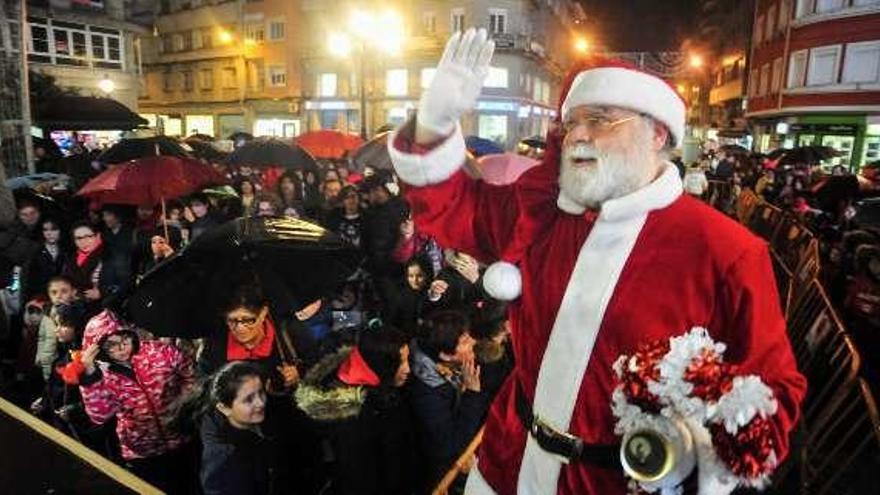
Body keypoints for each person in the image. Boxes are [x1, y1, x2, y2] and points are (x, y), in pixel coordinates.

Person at [388, 29, 805, 494]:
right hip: (509, 461)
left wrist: (691, 445)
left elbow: (771, 397)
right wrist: (434, 120)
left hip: (617, 483)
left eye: (602, 119)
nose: (578, 135)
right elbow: (448, 205)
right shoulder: (542, 213)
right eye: (572, 123)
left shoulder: (725, 249)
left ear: (658, 132)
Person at [78, 310, 197, 493]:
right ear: (98, 350)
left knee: (191, 486)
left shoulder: (160, 352)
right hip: (141, 452)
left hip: (183, 439)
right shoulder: (100, 375)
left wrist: (183, 404)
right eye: (111, 345)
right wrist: (90, 376)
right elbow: (100, 415)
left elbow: (189, 374)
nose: (122, 348)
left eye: (125, 338)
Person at [296, 328, 418, 495]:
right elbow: (363, 474)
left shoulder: (376, 383)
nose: (407, 369)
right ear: (382, 364)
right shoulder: (355, 413)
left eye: (407, 361)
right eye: (400, 362)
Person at [407, 310, 490, 487]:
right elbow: (448, 444)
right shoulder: (426, 394)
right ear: (446, 355)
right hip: (442, 470)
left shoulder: (451, 363)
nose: (474, 343)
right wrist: (473, 394)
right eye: (465, 342)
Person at [197, 361, 276, 495]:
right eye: (248, 399)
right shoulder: (223, 460)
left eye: (261, 392)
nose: (261, 403)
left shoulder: (250, 420)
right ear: (224, 408)